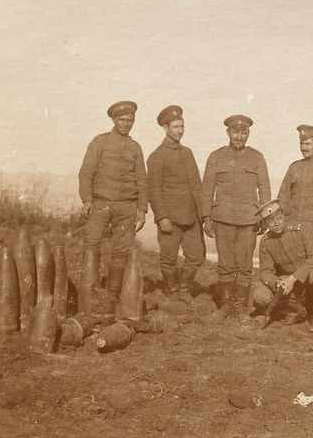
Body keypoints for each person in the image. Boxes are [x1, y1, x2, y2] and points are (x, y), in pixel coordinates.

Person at [201, 114, 271, 319]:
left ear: (248, 133)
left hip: (249, 220)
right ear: (228, 133)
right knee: (225, 264)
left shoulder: (257, 157)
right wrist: (206, 217)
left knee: (245, 265)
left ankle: (240, 308)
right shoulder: (216, 157)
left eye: (243, 132)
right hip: (222, 219)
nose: (239, 136)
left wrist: (264, 217)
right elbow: (207, 189)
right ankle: (225, 306)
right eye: (235, 132)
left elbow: (264, 189)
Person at [78, 100, 147, 304]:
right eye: (123, 120)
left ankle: (112, 295)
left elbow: (142, 180)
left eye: (130, 121)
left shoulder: (135, 148)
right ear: (114, 120)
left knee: (121, 250)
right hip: (101, 203)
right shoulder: (100, 142)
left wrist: (142, 210)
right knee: (92, 244)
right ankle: (88, 292)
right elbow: (86, 173)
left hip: (127, 206)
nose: (126, 124)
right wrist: (87, 199)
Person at [146, 104, 206, 297]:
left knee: (196, 256)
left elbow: (197, 186)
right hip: (170, 218)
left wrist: (203, 215)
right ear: (165, 128)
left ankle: (184, 288)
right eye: (175, 127)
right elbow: (153, 190)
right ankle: (172, 291)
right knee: (168, 259)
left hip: (191, 217)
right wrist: (162, 217)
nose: (180, 131)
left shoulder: (187, 153)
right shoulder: (157, 156)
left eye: (182, 126)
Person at [252, 199, 313, 328]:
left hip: (307, 275)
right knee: (260, 295)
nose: (276, 223)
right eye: (270, 221)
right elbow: (265, 271)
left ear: (283, 216)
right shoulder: (266, 241)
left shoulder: (301, 229)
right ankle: (295, 310)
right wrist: (276, 282)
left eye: (278, 218)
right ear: (265, 224)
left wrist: (293, 278)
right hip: (286, 280)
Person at [278, 125, 313, 232]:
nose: (303, 148)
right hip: (293, 227)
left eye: (308, 144)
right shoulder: (294, 167)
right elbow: (282, 197)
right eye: (301, 143)